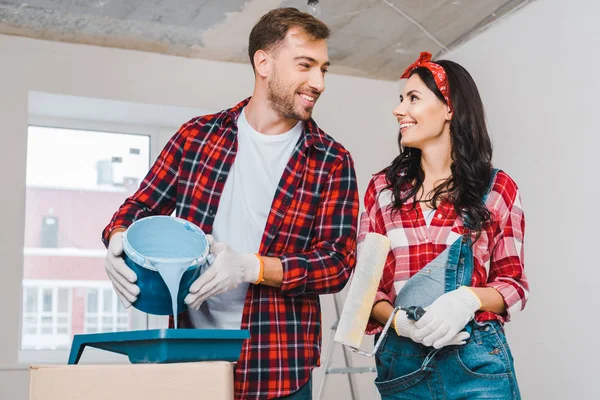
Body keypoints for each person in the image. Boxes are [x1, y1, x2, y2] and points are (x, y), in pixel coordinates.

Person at [101, 8, 359, 399]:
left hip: (279, 368)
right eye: (305, 65)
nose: (318, 82)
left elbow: (337, 263)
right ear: (263, 63)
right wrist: (119, 237)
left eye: (324, 69)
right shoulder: (197, 136)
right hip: (191, 363)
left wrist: (251, 267)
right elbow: (141, 206)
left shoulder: (331, 160)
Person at [360, 52, 529, 399]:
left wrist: (466, 300)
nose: (399, 110)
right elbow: (367, 291)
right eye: (400, 99)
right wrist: (400, 322)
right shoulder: (381, 190)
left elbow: (513, 283)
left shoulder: (497, 189)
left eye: (413, 98)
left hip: (476, 366)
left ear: (449, 109)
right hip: (402, 369)